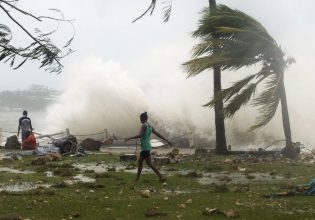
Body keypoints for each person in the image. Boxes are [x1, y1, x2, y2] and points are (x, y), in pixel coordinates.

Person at [125, 112, 173, 182]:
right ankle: (159, 177)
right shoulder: (150, 126)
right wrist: (167, 140)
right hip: (147, 147)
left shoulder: (144, 126)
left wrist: (129, 138)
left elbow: (140, 135)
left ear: (143, 118)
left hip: (145, 147)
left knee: (146, 162)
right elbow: (158, 134)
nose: (140, 120)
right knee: (143, 162)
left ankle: (160, 177)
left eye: (140, 119)